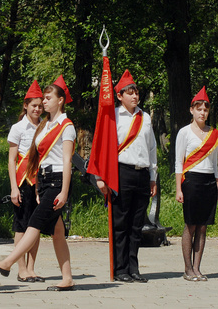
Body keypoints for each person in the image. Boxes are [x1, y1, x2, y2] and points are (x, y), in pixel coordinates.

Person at [0, 75, 76, 291]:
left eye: (47, 98)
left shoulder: (67, 126)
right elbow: (39, 158)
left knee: (34, 222)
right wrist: (37, 187)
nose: (44, 102)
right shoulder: (45, 126)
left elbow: (67, 161)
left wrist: (64, 191)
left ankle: (8, 263)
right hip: (43, 181)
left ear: (60, 100)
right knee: (57, 233)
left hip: (57, 181)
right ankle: (67, 278)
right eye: (42, 99)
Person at [96, 70, 157, 283]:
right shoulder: (113, 116)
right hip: (121, 173)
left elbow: (152, 149)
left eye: (136, 92)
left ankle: (133, 268)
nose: (134, 96)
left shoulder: (146, 117)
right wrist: (100, 177)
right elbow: (104, 148)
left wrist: (153, 177)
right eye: (129, 93)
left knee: (136, 225)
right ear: (119, 96)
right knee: (120, 223)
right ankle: (119, 268)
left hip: (142, 175)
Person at [174, 86, 218, 282]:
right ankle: (187, 269)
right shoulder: (184, 133)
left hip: (209, 181)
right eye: (199, 108)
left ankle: (197, 268)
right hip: (191, 181)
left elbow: (215, 163)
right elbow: (178, 162)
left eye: (205, 109)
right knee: (191, 225)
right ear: (192, 110)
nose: (202, 112)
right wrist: (178, 188)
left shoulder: (214, 134)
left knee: (203, 226)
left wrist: (217, 184)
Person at [7, 80, 45, 283]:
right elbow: (12, 159)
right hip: (23, 181)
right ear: (25, 106)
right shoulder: (18, 128)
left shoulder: (46, 126)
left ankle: (32, 268)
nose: (37, 109)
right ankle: (21, 269)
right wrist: (14, 187)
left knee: (35, 226)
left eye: (40, 106)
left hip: (40, 182)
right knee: (21, 226)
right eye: (34, 106)